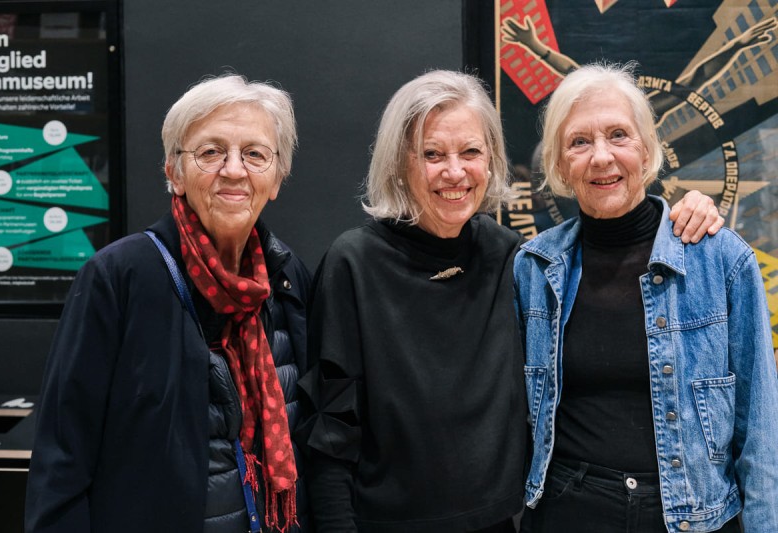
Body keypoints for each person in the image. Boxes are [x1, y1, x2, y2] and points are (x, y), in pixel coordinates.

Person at [298, 69, 722, 532]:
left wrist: (688, 208)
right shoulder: (353, 263)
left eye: (471, 152)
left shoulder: (510, 258)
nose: (455, 172)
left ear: (492, 159)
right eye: (432, 154)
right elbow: (330, 436)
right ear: (400, 164)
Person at [25, 74, 312, 533]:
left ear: (277, 178)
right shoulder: (118, 278)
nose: (234, 170)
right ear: (174, 173)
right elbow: (63, 455)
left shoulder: (287, 277)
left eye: (255, 154)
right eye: (210, 152)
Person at [513, 62, 778, 533]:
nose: (601, 157)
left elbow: (760, 432)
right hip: (568, 513)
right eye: (579, 142)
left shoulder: (720, 260)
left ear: (648, 149)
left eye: (619, 135)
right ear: (558, 164)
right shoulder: (533, 267)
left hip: (691, 518)